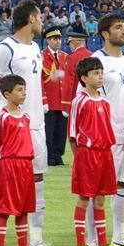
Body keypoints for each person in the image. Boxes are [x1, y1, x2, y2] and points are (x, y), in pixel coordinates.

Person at [0, 0, 61, 246]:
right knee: (0, 184)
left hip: (35, 124)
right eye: (40, 17)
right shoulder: (6, 48)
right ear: (31, 19)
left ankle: (35, 240)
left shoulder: (36, 48)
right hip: (12, 128)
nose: (42, 22)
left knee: (36, 181)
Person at [91, 13, 124, 246]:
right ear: (105, 34)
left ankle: (119, 235)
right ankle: (92, 238)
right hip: (106, 135)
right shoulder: (96, 60)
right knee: (98, 188)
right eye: (118, 27)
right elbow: (88, 98)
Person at [69, 57, 124, 246]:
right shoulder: (79, 101)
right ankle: (80, 244)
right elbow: (73, 134)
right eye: (95, 73)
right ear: (84, 78)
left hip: (105, 154)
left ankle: (103, 244)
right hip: (87, 154)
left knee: (100, 199)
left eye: (101, 72)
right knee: (84, 198)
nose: (100, 76)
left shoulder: (105, 101)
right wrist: (79, 158)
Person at [0, 75, 45, 246]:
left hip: (25, 167)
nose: (24, 93)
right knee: (4, 209)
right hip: (8, 166)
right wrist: (1, 169)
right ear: (7, 94)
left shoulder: (26, 116)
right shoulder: (1, 117)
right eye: (19, 90)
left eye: (24, 89)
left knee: (23, 209)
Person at [41, 27, 68, 167]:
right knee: (49, 131)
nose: (58, 41)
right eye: (54, 39)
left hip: (62, 101)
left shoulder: (65, 56)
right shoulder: (42, 56)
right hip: (50, 101)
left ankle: (58, 155)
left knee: (61, 131)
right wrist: (43, 100)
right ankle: (50, 157)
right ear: (48, 40)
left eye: (59, 39)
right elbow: (40, 80)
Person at [61, 24, 92, 119]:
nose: (70, 47)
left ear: (74, 43)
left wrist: (65, 104)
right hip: (91, 99)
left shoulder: (71, 58)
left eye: (70, 44)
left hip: (76, 100)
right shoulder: (93, 55)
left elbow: (68, 82)